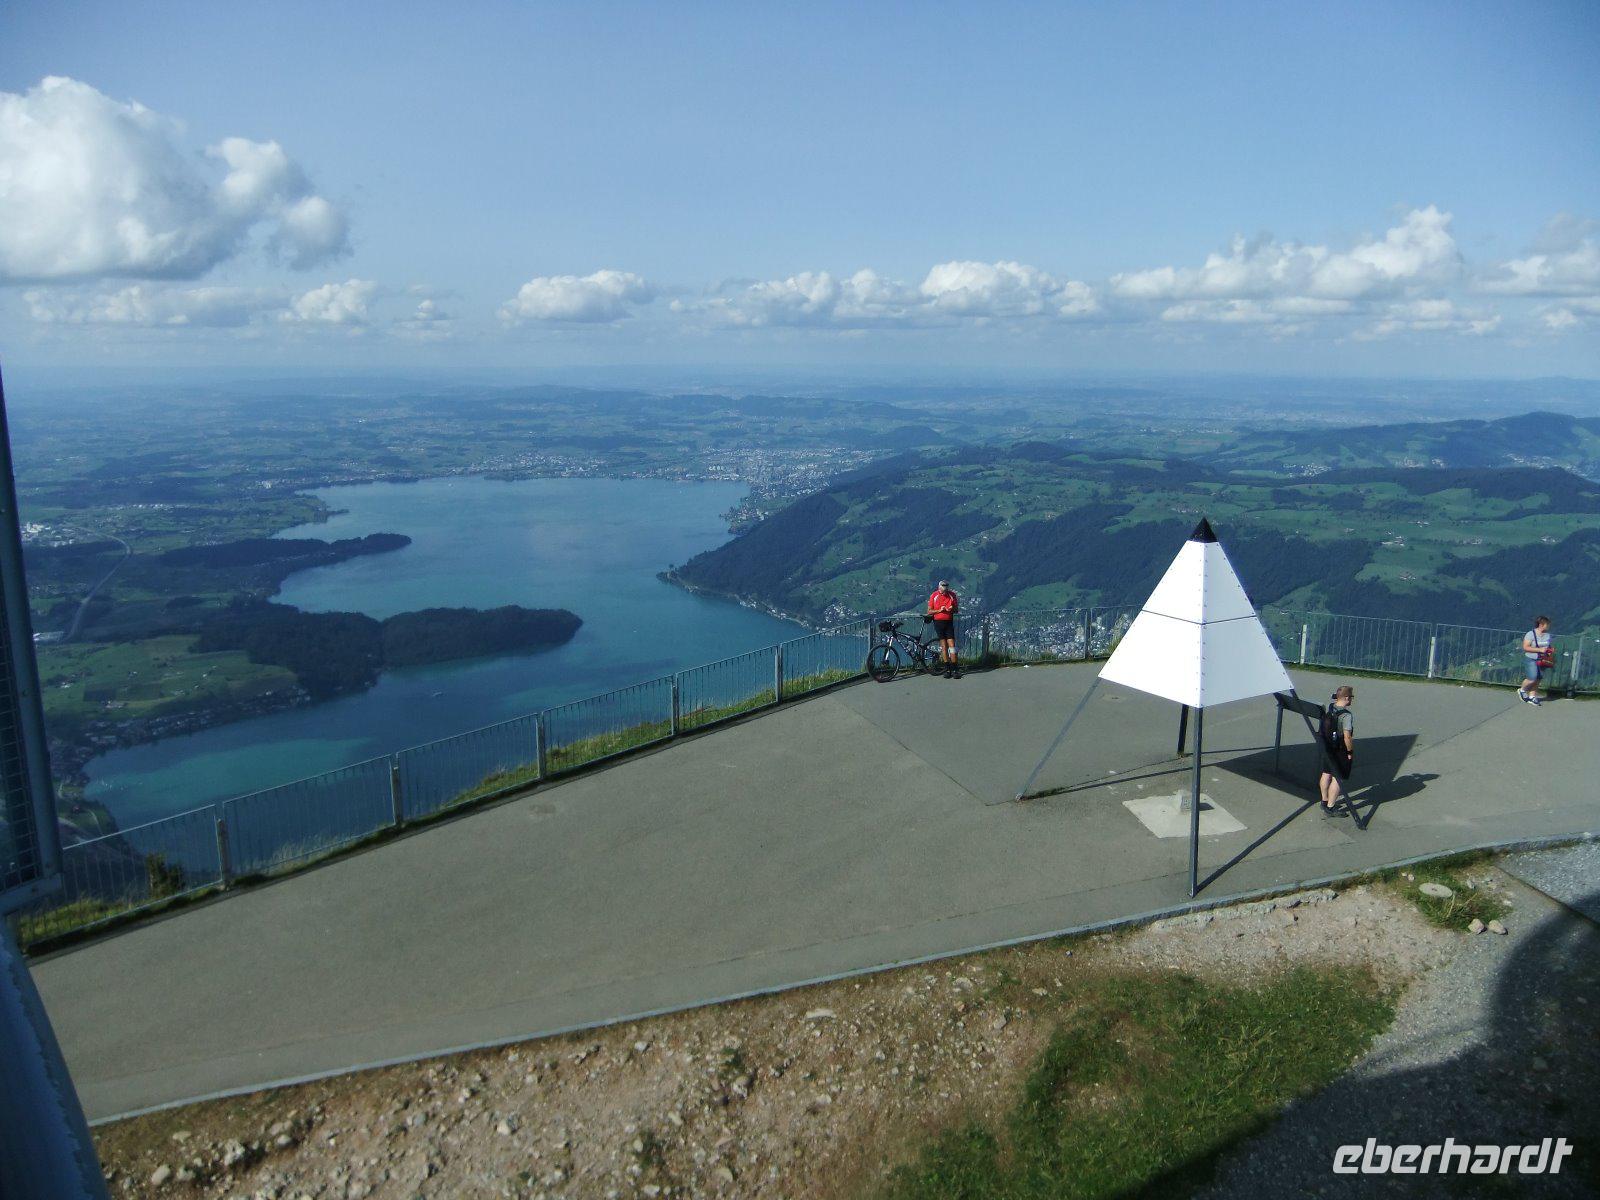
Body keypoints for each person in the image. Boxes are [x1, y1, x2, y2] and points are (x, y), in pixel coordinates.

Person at [1319, 685, 1355, 815]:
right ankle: (1331, 807)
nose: (1352, 699)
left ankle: (1324, 800)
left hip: (1328, 746)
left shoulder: (1331, 708)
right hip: (1340, 749)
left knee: (1326, 773)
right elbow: (1347, 737)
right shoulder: (1346, 716)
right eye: (1351, 697)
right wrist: (1350, 752)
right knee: (1338, 778)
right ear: (1346, 698)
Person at [926, 579, 961, 679]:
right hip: (938, 622)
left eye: (945, 590)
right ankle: (947, 669)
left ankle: (955, 669)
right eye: (942, 590)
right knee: (944, 646)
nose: (944, 592)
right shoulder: (934, 595)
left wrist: (951, 609)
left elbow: (956, 610)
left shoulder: (952, 595)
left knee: (952, 646)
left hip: (949, 622)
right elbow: (929, 611)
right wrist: (939, 610)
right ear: (939, 588)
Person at [1518, 616, 1554, 707]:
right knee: (1532, 678)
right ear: (1541, 625)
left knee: (1538, 678)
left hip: (1542, 659)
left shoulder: (1548, 635)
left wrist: (1549, 651)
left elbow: (1548, 645)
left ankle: (1532, 696)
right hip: (1531, 658)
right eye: (1547, 624)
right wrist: (1540, 650)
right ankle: (1522, 690)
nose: (1548, 626)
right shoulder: (1530, 634)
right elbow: (1526, 647)